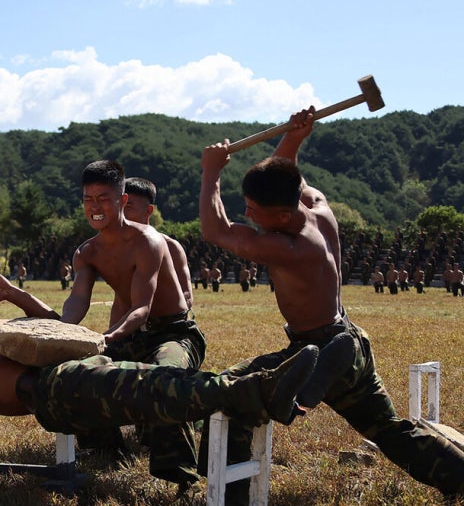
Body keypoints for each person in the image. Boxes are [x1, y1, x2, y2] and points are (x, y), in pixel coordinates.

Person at [199, 107, 464, 501]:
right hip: (349, 338)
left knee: (234, 388)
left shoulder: (286, 247)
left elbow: (214, 229)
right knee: (387, 429)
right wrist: (295, 136)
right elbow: (287, 171)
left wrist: (211, 172)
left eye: (254, 210)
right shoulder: (319, 209)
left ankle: (232, 490)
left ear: (285, 214)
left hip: (315, 345)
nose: (248, 214)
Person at [0, 261, 319, 444]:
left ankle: (269, 372)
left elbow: (53, 324)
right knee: (155, 388)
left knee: (161, 382)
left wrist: (13, 294)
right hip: (52, 389)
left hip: (70, 375)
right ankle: (260, 392)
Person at [62, 162, 207, 489]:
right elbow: (77, 301)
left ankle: (181, 475)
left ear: (122, 200)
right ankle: (105, 449)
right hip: (130, 334)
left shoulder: (148, 241)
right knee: (80, 372)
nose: (94, 207)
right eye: (88, 199)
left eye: (103, 198)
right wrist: (60, 333)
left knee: (165, 376)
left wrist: (107, 337)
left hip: (173, 333)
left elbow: (142, 307)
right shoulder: (87, 252)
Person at [121, 177, 194, 309]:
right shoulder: (114, 247)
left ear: (149, 210)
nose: (122, 213)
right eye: (120, 206)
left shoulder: (170, 247)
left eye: (128, 207)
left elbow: (186, 295)